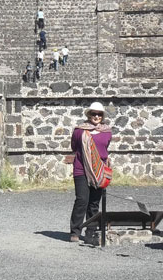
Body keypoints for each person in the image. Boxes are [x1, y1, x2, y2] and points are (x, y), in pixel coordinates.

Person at [69, 102, 112, 243]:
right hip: (81, 168)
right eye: (94, 114)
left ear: (102, 116)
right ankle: (75, 231)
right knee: (82, 200)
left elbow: (105, 149)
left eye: (99, 114)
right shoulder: (79, 131)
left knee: (94, 203)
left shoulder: (107, 132)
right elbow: (74, 147)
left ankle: (91, 231)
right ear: (89, 115)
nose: (96, 116)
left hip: (99, 171)